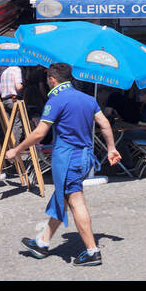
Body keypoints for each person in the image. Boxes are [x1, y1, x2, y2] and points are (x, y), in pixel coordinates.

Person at [9, 62, 120, 266]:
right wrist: (111, 148)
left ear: (52, 80)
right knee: (64, 196)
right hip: (84, 157)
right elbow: (104, 124)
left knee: (75, 200)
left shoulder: (57, 100)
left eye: (48, 80)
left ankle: (92, 251)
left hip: (68, 158)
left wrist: (17, 149)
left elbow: (40, 133)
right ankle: (42, 243)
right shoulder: (88, 99)